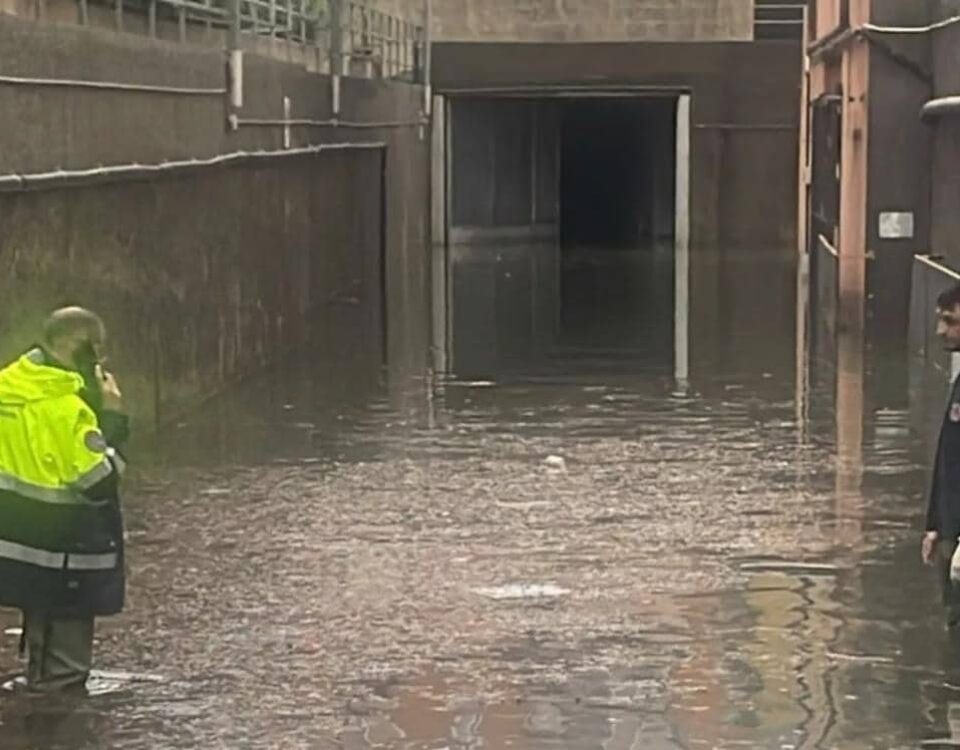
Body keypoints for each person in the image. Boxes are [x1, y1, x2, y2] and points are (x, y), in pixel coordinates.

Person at [0, 307, 128, 692]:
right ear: (81, 349)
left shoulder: (9, 388)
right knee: (66, 677)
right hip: (65, 553)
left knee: (40, 651)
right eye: (98, 353)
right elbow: (99, 482)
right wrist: (113, 422)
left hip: (19, 550)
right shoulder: (67, 409)